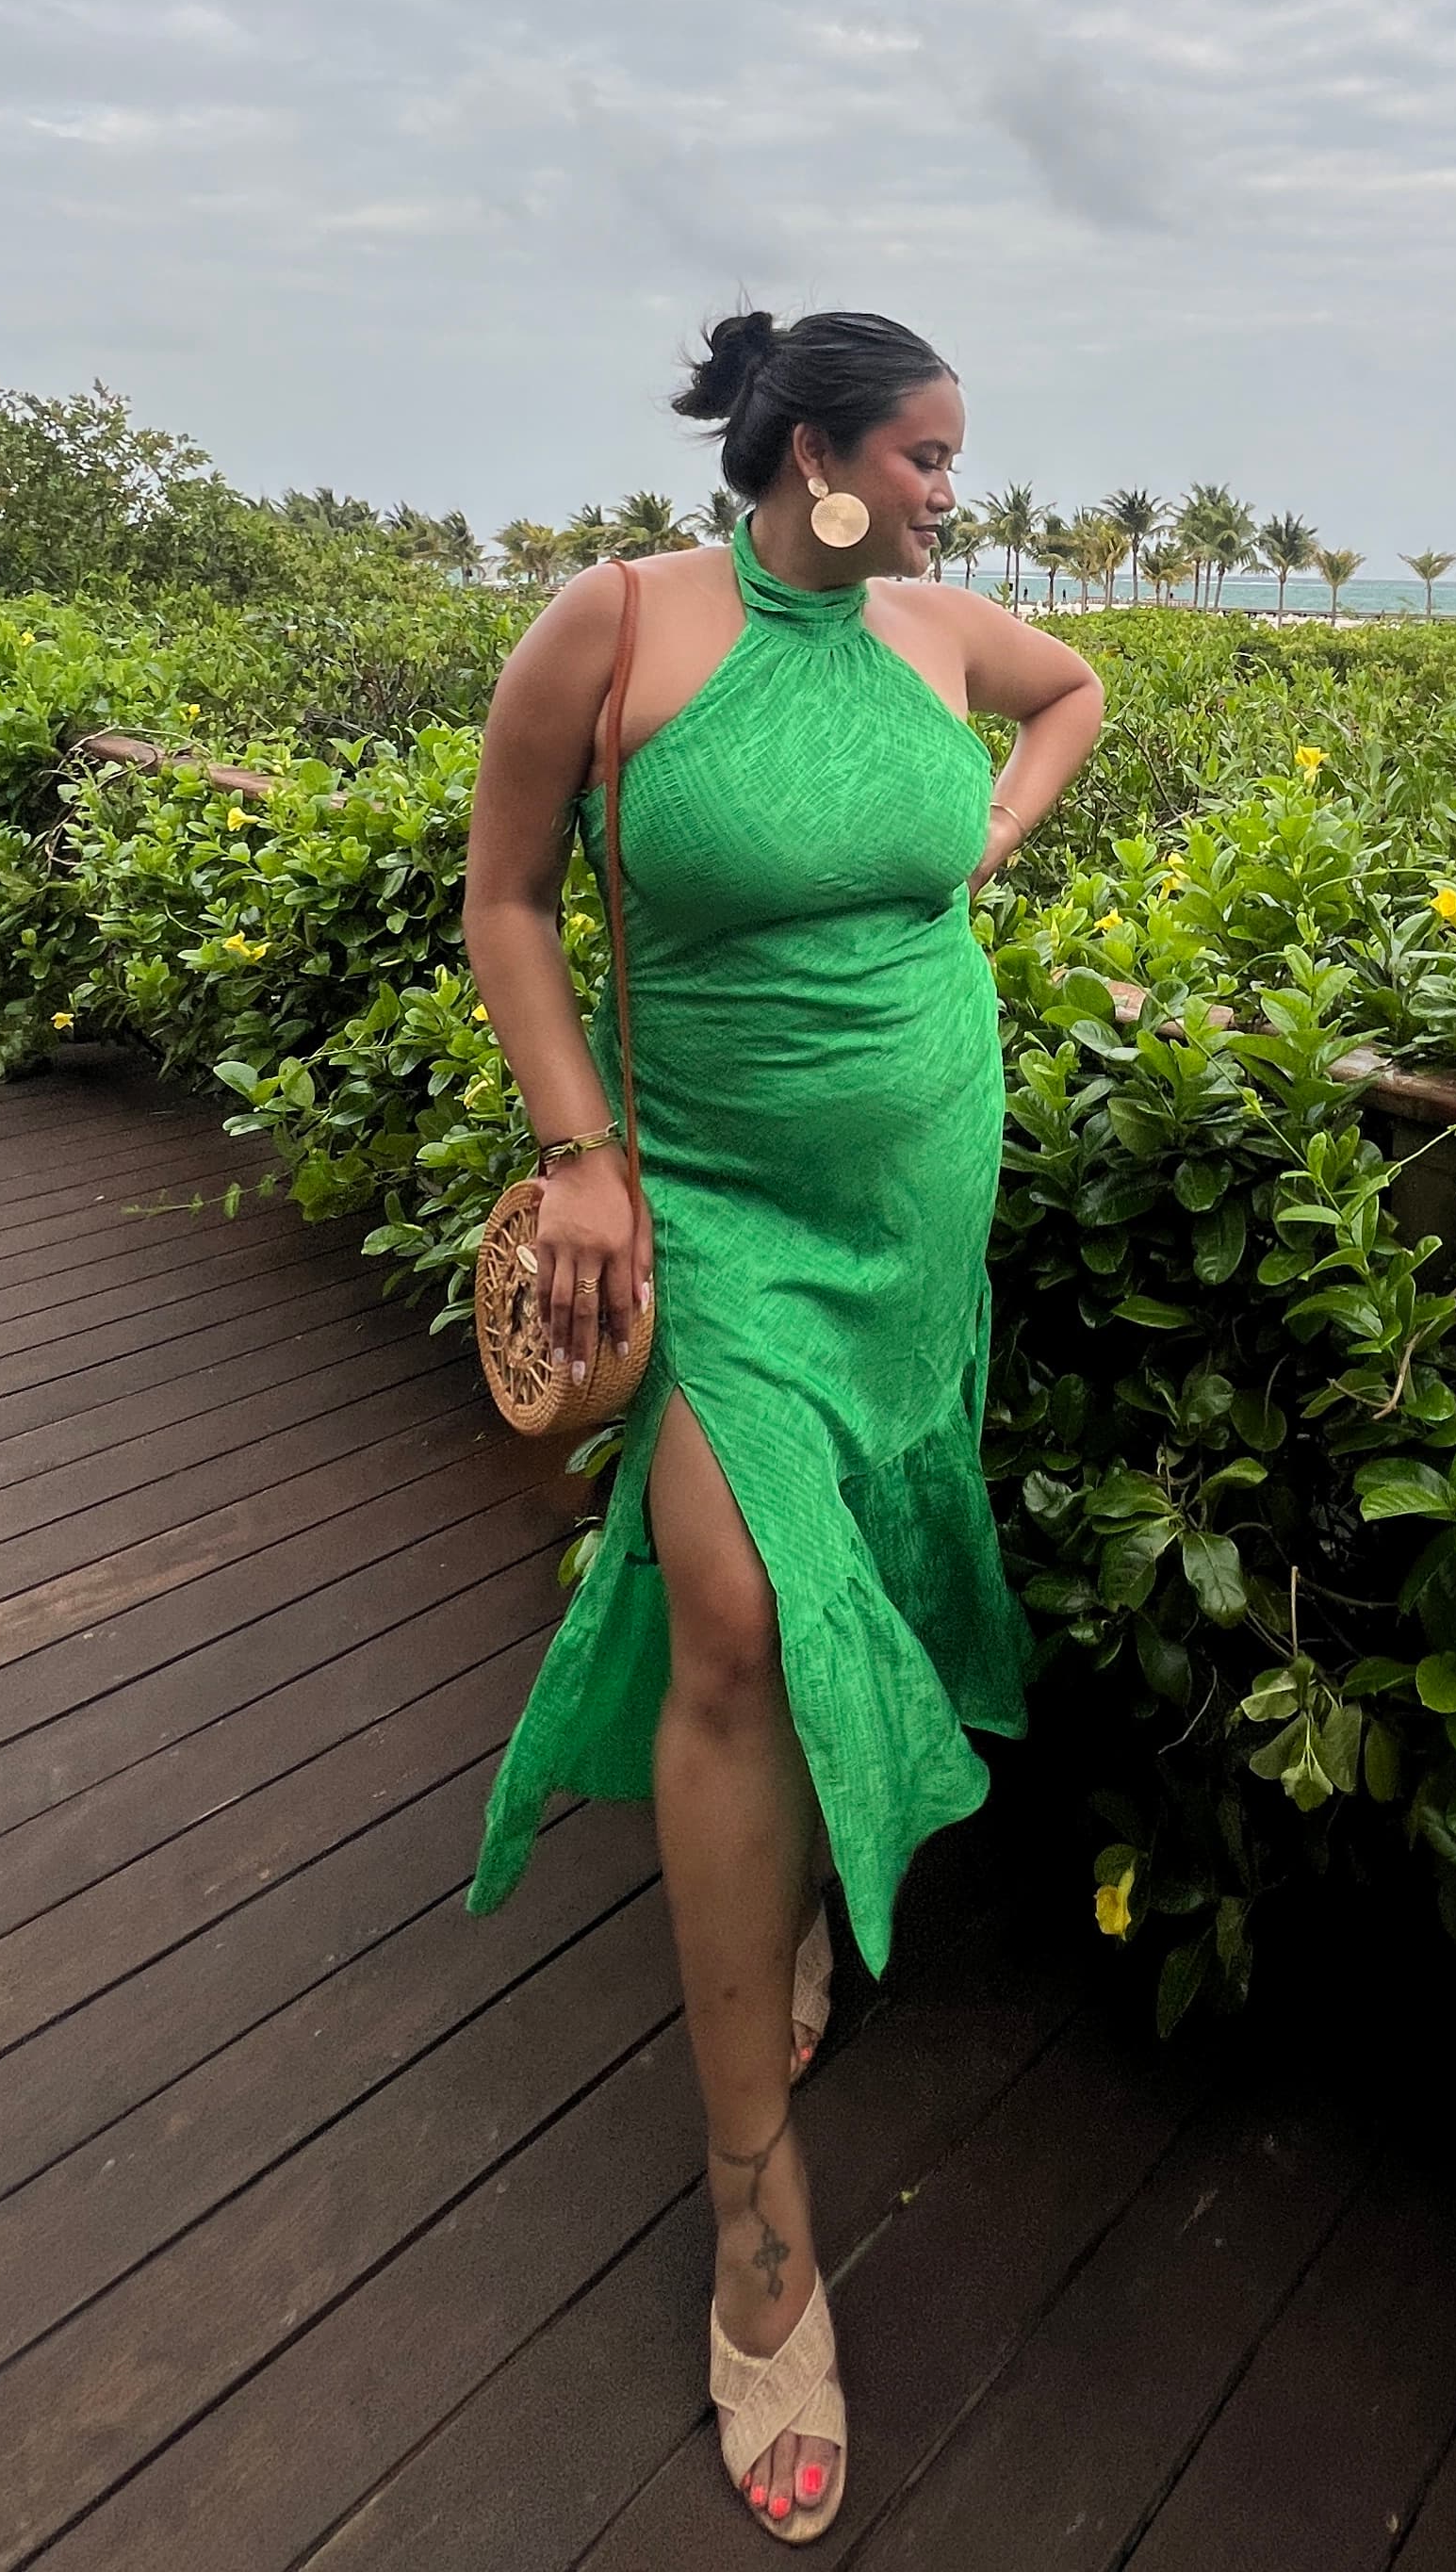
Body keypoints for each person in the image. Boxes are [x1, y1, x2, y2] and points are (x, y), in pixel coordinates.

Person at [460, 307, 1104, 2543]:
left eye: (954, 459)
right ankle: (758, 2225)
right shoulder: (616, 625)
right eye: (926, 455)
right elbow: (509, 901)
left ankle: (806, 1910)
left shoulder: (943, 630)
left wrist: (995, 838)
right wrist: (581, 1152)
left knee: (863, 1567)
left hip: (922, 1187)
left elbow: (1079, 695)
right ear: (816, 450)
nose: (950, 489)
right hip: (709, 1209)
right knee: (728, 1619)